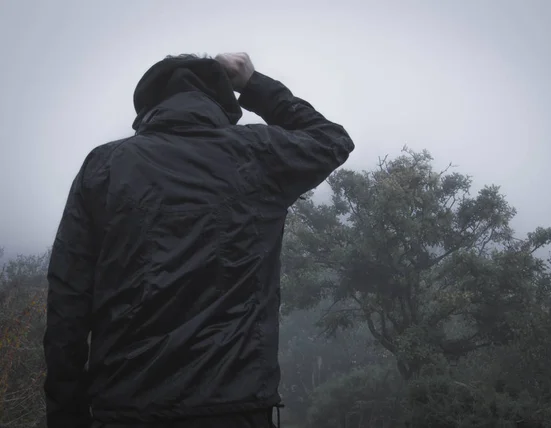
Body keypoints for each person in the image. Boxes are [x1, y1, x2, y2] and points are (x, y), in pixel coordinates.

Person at [42, 52, 355, 428]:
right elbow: (331, 140)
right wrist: (252, 82)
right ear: (223, 103)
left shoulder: (104, 166)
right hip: (236, 409)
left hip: (124, 408)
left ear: (147, 107)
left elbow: (67, 304)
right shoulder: (258, 154)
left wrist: (67, 417)